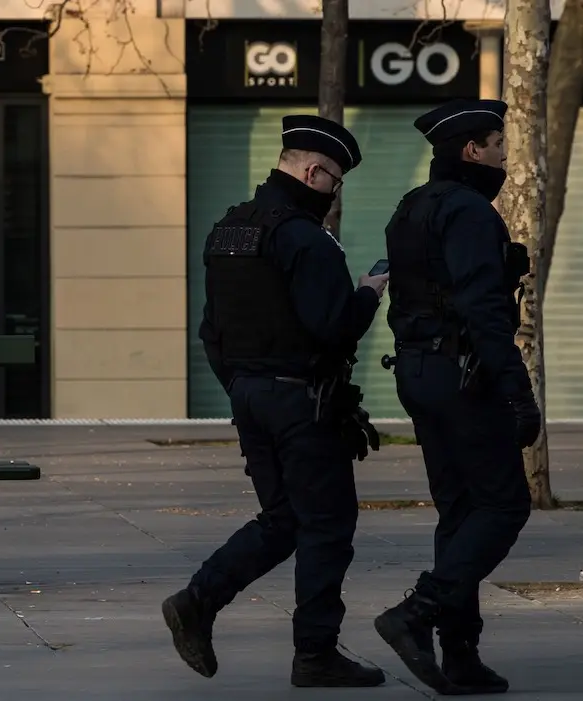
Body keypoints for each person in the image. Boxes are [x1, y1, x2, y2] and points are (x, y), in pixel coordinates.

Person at [162, 115, 389, 688]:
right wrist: (368, 292)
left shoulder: (228, 231)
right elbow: (334, 327)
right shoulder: (306, 239)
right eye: (334, 181)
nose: (334, 194)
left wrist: (240, 387)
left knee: (284, 518)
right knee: (327, 525)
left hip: (250, 398)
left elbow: (211, 331)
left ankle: (198, 600)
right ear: (314, 172)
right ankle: (315, 654)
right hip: (302, 404)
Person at [375, 99, 537, 695]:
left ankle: (460, 656)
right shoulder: (470, 212)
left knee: (462, 511)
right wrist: (518, 395)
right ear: (472, 150)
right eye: (498, 145)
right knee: (503, 506)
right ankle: (417, 613)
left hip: (421, 373)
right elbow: (484, 315)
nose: (503, 156)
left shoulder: (411, 208)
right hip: (465, 377)